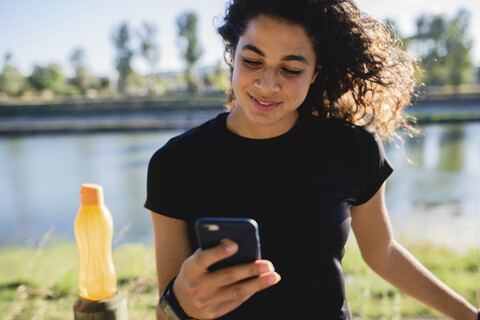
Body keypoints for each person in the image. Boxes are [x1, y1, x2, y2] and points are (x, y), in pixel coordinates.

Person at [145, 0, 479, 319]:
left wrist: (469, 315)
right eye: (252, 61)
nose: (267, 84)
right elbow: (166, 312)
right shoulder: (175, 163)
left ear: (316, 71)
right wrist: (181, 303)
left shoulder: (354, 149)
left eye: (290, 69)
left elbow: (384, 254)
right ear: (232, 54)